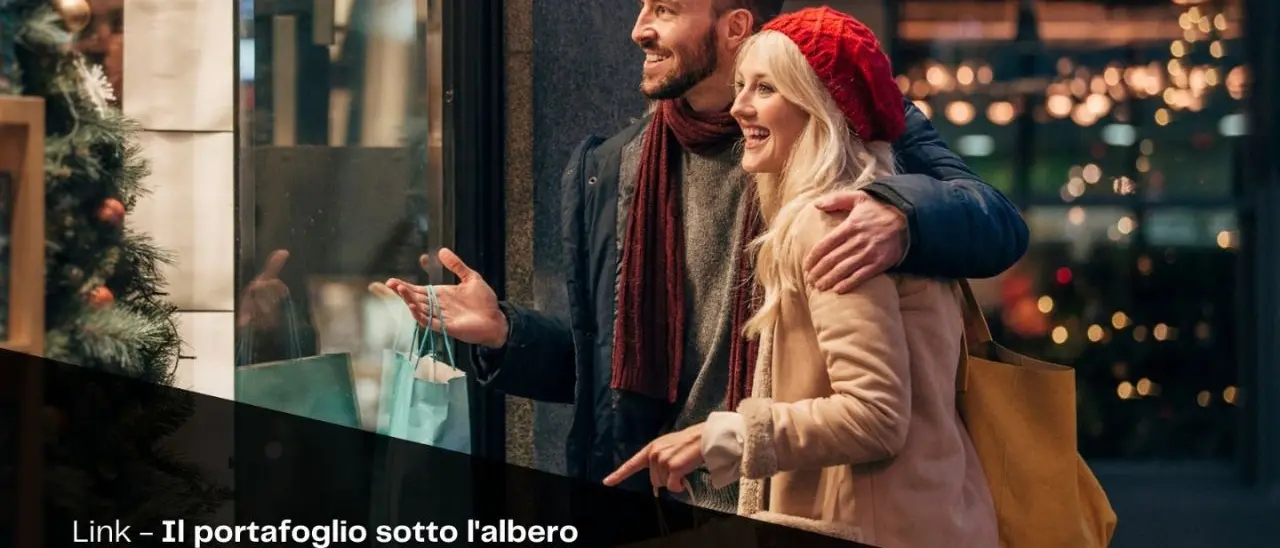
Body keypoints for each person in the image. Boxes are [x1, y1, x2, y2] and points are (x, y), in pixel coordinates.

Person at [386, 0, 1026, 513]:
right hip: (669, 497)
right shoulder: (613, 168)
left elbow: (997, 221)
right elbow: (608, 372)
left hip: (806, 496)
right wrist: (505, 332)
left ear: (734, 26)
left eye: (665, 9)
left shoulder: (847, 124)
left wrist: (902, 213)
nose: (639, 28)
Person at [601, 7, 999, 546]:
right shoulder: (878, 208)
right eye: (742, 86)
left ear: (818, 105)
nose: (740, 107)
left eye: (765, 89)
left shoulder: (832, 220)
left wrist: (723, 435)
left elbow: (875, 416)